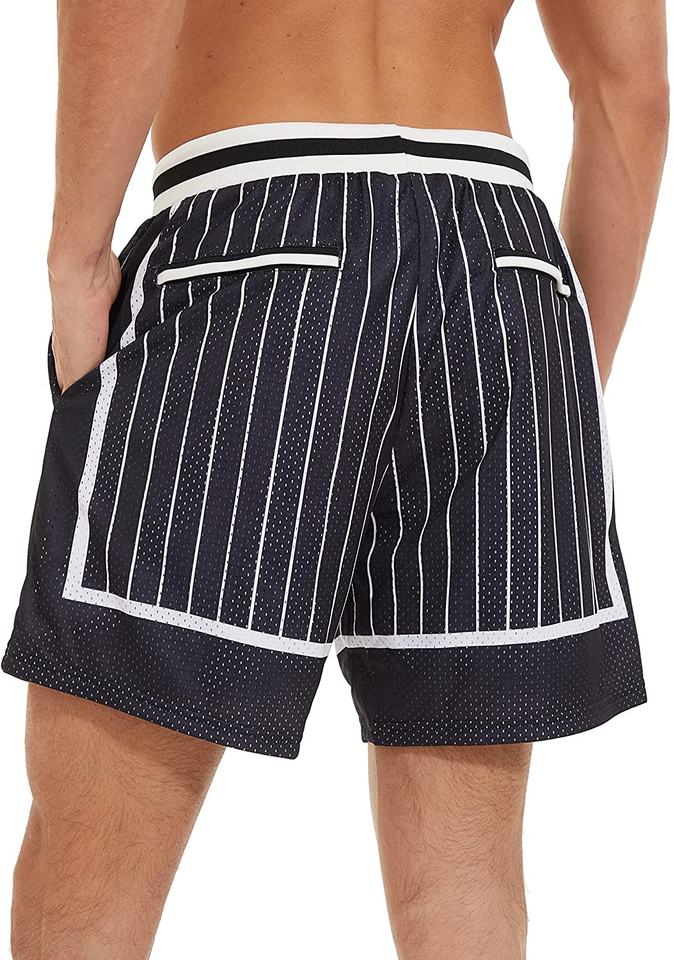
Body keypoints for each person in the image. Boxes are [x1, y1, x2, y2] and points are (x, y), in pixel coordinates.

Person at [3, 0, 668, 957]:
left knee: (95, 859)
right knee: (465, 877)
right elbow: (629, 90)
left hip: (260, 232)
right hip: (502, 264)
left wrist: (76, 258)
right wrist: (559, 372)